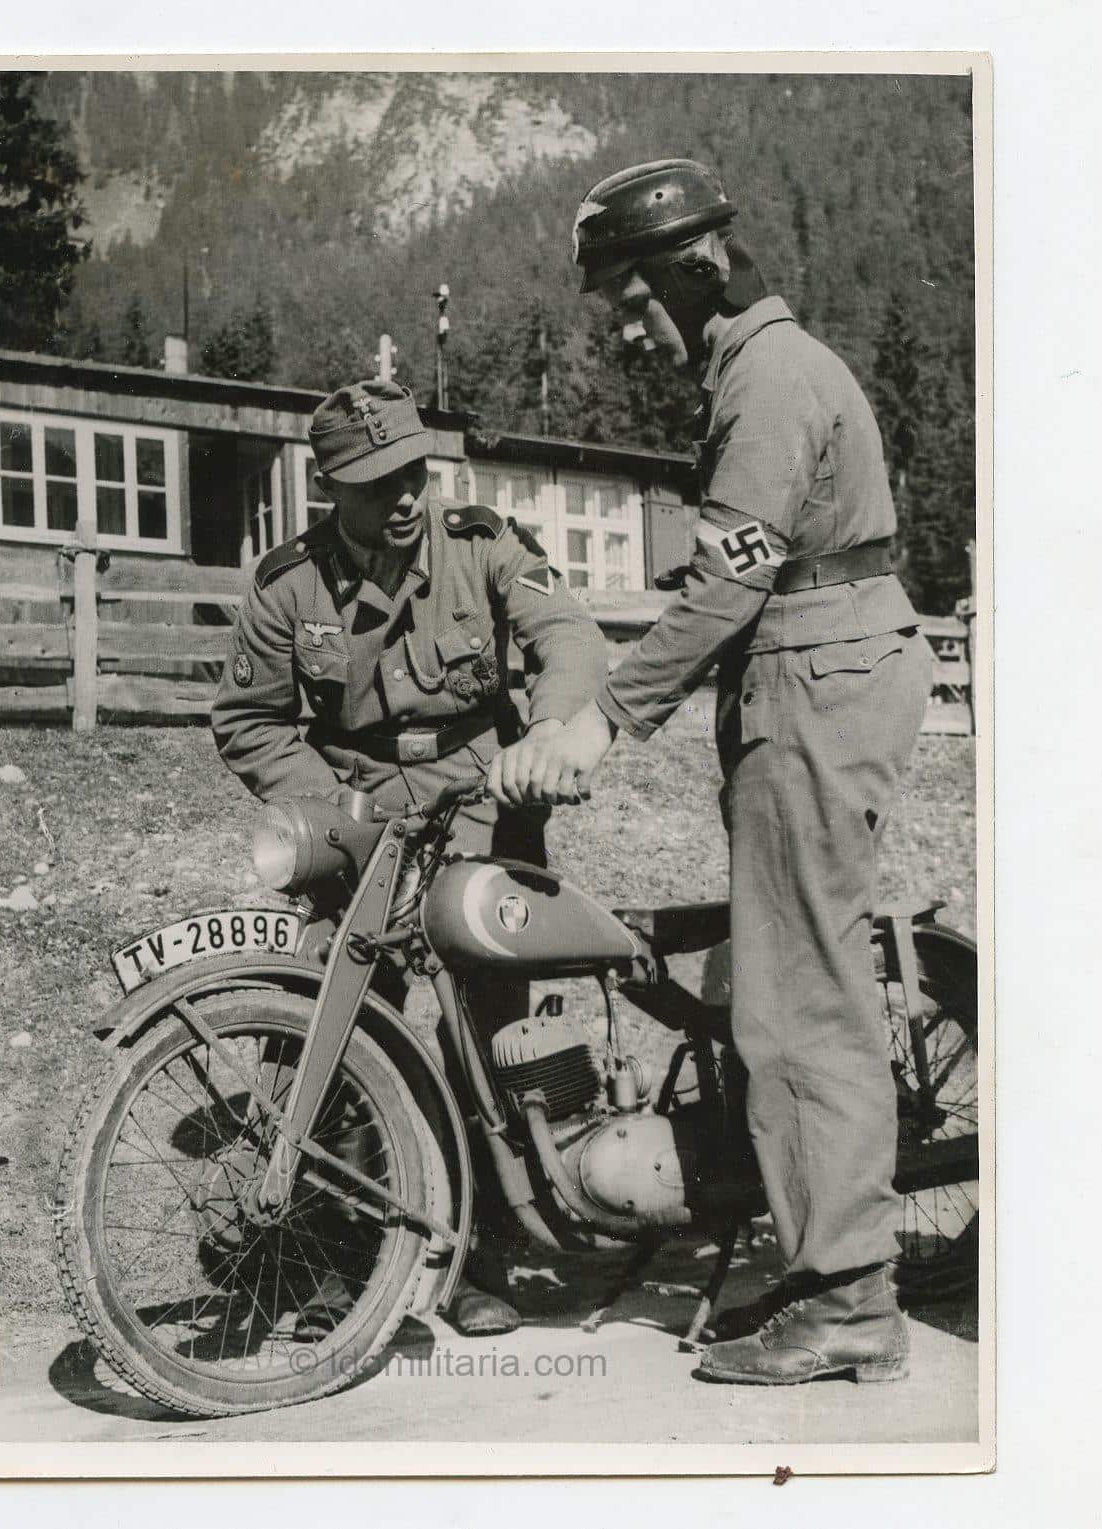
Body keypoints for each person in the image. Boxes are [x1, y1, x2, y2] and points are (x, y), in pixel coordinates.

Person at [489, 160, 934, 1385]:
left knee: (794, 995)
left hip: (813, 677)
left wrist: (599, 722)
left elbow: (726, 583)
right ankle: (819, 1266)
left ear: (697, 268)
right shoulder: (755, 371)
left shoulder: (770, 379)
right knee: (785, 971)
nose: (626, 321)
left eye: (632, 292)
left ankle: (845, 1295)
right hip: (812, 671)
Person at [211, 377, 610, 1339]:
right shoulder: (287, 585)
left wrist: (549, 733)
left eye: (413, 472)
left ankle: (483, 1252)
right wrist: (337, 808)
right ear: (329, 487)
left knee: (483, 1032)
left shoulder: (483, 546)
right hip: (353, 815)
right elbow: (251, 721)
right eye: (375, 480)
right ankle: (338, 1271)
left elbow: (570, 640)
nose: (402, 496)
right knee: (332, 1029)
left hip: (482, 802)